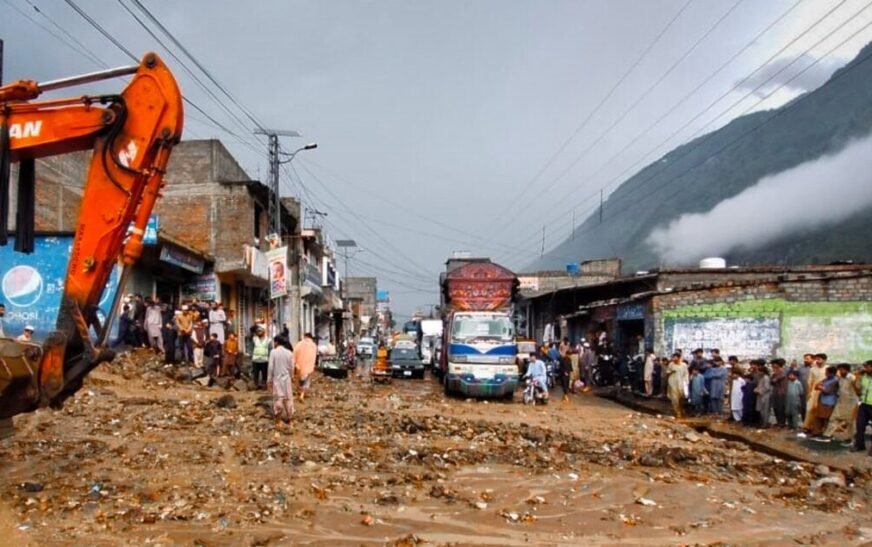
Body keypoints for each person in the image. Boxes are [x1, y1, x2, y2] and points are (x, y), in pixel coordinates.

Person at [823, 363, 858, 445]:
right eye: (839, 370)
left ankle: (849, 439)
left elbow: (858, 389)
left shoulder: (852, 378)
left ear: (847, 370)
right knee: (834, 418)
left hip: (851, 403)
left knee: (850, 421)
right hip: (841, 401)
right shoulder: (840, 378)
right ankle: (827, 435)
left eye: (841, 370)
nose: (840, 371)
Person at [267, 335, 295, 429]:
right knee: (288, 399)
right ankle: (290, 420)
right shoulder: (289, 353)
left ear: (276, 342)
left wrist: (269, 380)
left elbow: (271, 367)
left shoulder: (273, 352)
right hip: (287, 379)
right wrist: (292, 376)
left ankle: (278, 420)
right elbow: (291, 367)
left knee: (278, 399)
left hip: (277, 379)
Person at [809, 366, 839, 440]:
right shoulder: (826, 379)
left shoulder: (835, 381)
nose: (825, 373)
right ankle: (816, 432)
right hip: (822, 400)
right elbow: (816, 386)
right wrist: (821, 387)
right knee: (818, 417)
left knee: (826, 418)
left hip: (829, 402)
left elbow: (828, 391)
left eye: (827, 372)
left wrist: (821, 388)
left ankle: (826, 434)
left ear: (831, 373)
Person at [802, 353, 828, 431]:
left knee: (821, 411)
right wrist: (809, 393)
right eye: (816, 359)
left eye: (819, 359)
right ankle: (807, 426)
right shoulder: (812, 369)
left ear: (824, 360)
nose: (817, 361)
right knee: (810, 409)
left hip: (825, 392)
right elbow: (810, 382)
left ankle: (820, 428)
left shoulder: (828, 369)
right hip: (814, 392)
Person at [852, 360, 872, 454]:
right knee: (860, 425)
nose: (866, 368)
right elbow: (859, 389)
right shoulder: (864, 377)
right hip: (864, 404)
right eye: (865, 367)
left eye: (868, 367)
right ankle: (859, 445)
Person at [295, 333, 318, 401]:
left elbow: (294, 353)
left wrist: (295, 363)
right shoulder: (313, 345)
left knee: (300, 380)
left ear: (305, 337)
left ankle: (300, 393)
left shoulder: (299, 344)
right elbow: (315, 356)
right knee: (306, 381)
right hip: (309, 367)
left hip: (299, 366)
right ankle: (302, 395)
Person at [666, 352, 688, 418]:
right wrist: (671, 372)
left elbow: (686, 374)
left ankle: (681, 410)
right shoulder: (671, 364)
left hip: (681, 384)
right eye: (673, 357)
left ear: (679, 358)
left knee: (681, 398)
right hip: (672, 383)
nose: (674, 359)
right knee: (674, 399)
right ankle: (677, 412)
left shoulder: (684, 365)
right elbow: (667, 372)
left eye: (675, 357)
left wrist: (686, 381)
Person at [770, 359, 788, 427]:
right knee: (776, 408)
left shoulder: (783, 372)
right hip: (775, 392)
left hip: (782, 393)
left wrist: (774, 380)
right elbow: (771, 381)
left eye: (774, 365)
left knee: (781, 408)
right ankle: (778, 422)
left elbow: (775, 380)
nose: (773, 366)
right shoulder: (774, 373)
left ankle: (782, 422)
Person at [754, 364, 772, 428]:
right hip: (761, 396)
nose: (758, 373)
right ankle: (762, 423)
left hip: (765, 396)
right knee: (761, 410)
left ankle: (765, 424)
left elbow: (767, 388)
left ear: (762, 372)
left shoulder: (766, 378)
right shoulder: (761, 378)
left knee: (765, 410)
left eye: (759, 371)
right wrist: (756, 389)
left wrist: (759, 391)